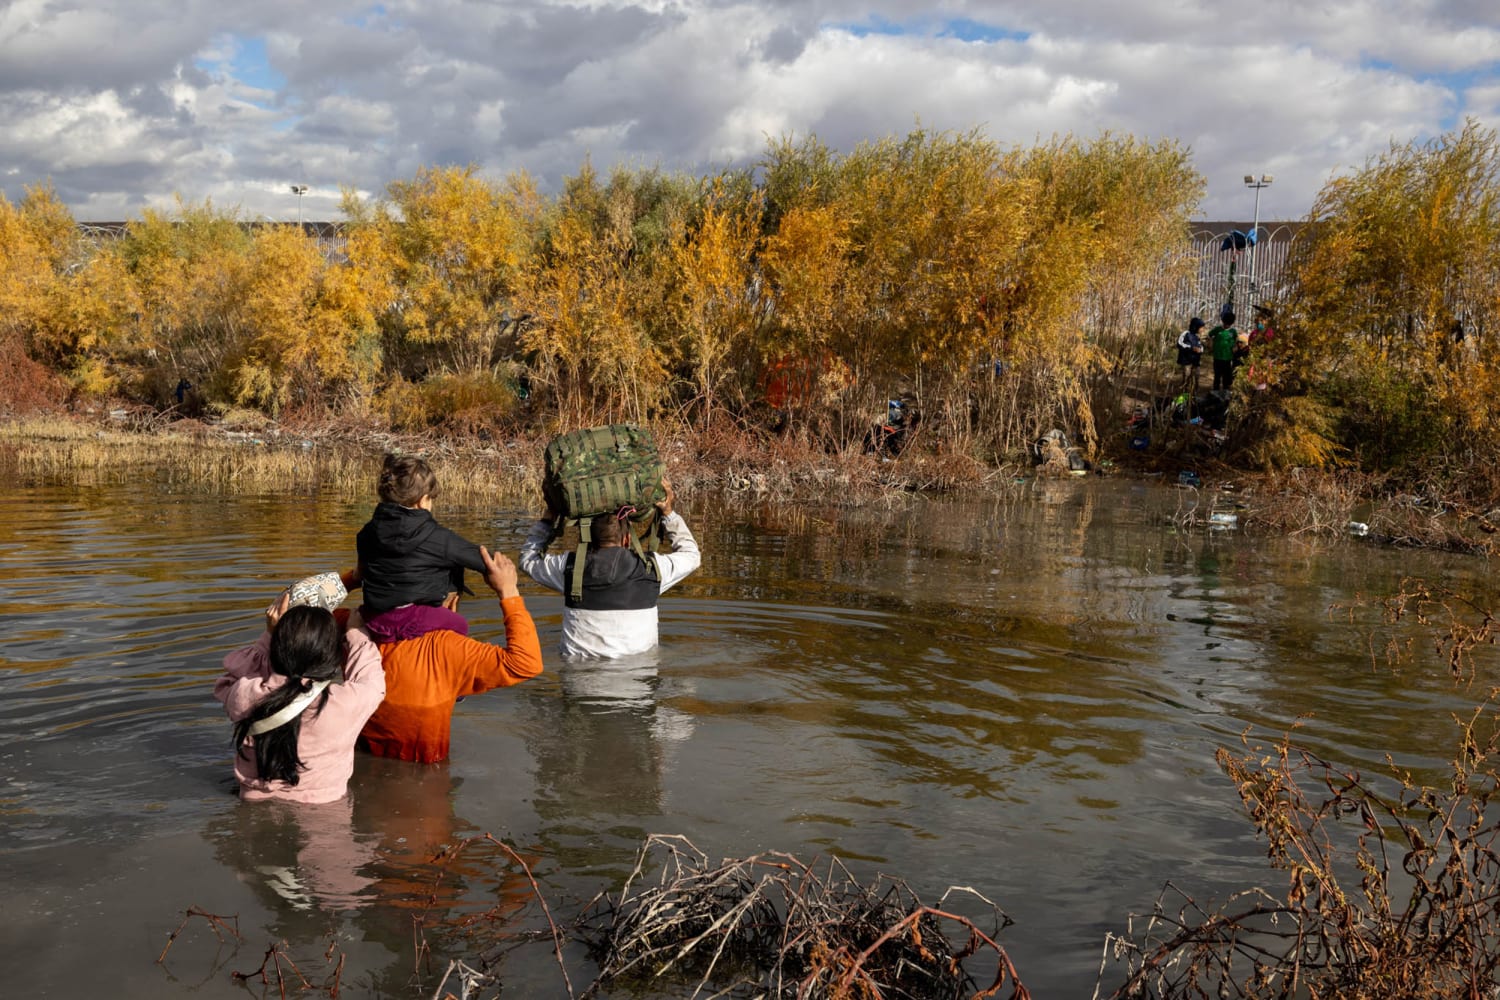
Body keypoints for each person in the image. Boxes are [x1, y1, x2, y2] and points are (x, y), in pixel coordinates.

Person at [358, 545, 543, 763]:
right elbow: (526, 663)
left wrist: (354, 577)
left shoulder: (357, 628)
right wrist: (508, 592)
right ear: (452, 602)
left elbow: (318, 608)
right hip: (426, 773)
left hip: (358, 761)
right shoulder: (450, 649)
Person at [214, 573, 385, 804]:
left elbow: (231, 677)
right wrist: (356, 634)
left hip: (252, 803)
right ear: (333, 657)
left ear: (277, 651)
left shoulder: (245, 696)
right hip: (327, 812)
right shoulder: (343, 705)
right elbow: (372, 682)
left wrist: (269, 637)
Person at [519, 479, 700, 659]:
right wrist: (668, 514)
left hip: (579, 675)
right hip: (639, 675)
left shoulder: (569, 568)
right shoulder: (652, 569)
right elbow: (692, 555)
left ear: (587, 538)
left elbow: (528, 559)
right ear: (627, 539)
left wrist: (548, 519)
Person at [352, 453, 486, 642]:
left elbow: (360, 574)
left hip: (374, 619)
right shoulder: (440, 538)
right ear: (422, 501)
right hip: (416, 621)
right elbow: (484, 561)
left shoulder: (366, 533)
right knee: (460, 624)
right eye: (431, 499)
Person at [1209, 310, 1240, 392]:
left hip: (1227, 358)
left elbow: (1236, 340)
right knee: (1217, 375)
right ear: (1223, 321)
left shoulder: (1233, 331)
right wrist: (1211, 344)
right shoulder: (1217, 329)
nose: (1226, 325)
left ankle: (1225, 391)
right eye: (1225, 323)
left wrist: (1235, 346)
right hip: (1217, 357)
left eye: (1228, 324)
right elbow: (1209, 335)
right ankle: (1215, 391)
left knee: (1226, 375)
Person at [1176, 317, 1205, 391]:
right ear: (1196, 327)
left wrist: (1200, 350)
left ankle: (1193, 395)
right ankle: (1184, 395)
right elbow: (1179, 344)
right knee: (1186, 379)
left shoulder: (1197, 337)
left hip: (1195, 362)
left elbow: (1201, 346)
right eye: (1201, 328)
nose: (1202, 329)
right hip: (1186, 362)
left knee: (1195, 379)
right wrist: (1192, 348)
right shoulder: (1186, 334)